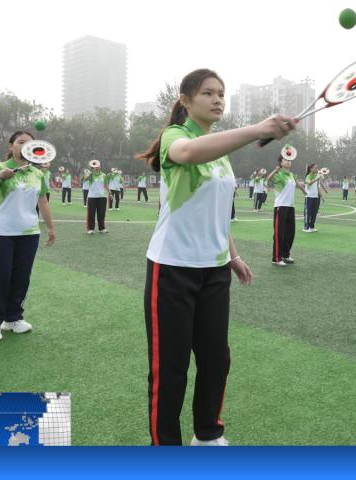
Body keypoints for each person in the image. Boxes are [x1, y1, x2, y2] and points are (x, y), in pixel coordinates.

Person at [136, 68, 291, 446]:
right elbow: (187, 153)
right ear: (186, 101)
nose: (218, 99)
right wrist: (257, 129)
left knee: (216, 360)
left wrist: (233, 255)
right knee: (170, 370)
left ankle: (207, 434)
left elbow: (218, 215)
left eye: (221, 93)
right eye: (208, 93)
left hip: (214, 270)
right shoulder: (178, 137)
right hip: (171, 269)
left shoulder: (221, 155)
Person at [0, 131, 57, 343]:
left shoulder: (38, 173)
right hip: (0, 232)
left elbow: (43, 201)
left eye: (30, 144)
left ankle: (13, 318)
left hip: (29, 233)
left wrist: (51, 227)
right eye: (21, 142)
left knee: (21, 278)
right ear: (11, 146)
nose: (25, 146)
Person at [267, 155, 306, 264]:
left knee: (290, 232)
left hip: (290, 206)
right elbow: (268, 180)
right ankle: (276, 258)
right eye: (285, 160)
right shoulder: (278, 173)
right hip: (280, 206)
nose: (288, 162)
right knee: (279, 233)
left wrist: (303, 190)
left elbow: (296, 184)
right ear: (280, 162)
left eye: (289, 160)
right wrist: (275, 170)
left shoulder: (291, 175)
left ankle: (285, 255)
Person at [84, 164, 110, 234]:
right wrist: (90, 172)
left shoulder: (104, 175)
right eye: (95, 166)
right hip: (92, 197)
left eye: (98, 166)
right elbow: (85, 178)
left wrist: (109, 193)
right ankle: (90, 229)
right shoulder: (91, 174)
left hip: (102, 196)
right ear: (93, 167)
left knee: (101, 213)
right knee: (91, 213)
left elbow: (106, 185)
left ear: (100, 167)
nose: (97, 167)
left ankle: (101, 228)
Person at [303, 163, 326, 232]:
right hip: (309, 196)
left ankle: (312, 226)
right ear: (311, 169)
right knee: (308, 212)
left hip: (316, 196)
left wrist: (321, 196)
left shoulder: (317, 176)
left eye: (317, 168)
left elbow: (317, 187)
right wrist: (316, 178)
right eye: (315, 168)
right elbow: (309, 183)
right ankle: (306, 227)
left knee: (314, 212)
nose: (316, 169)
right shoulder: (308, 176)